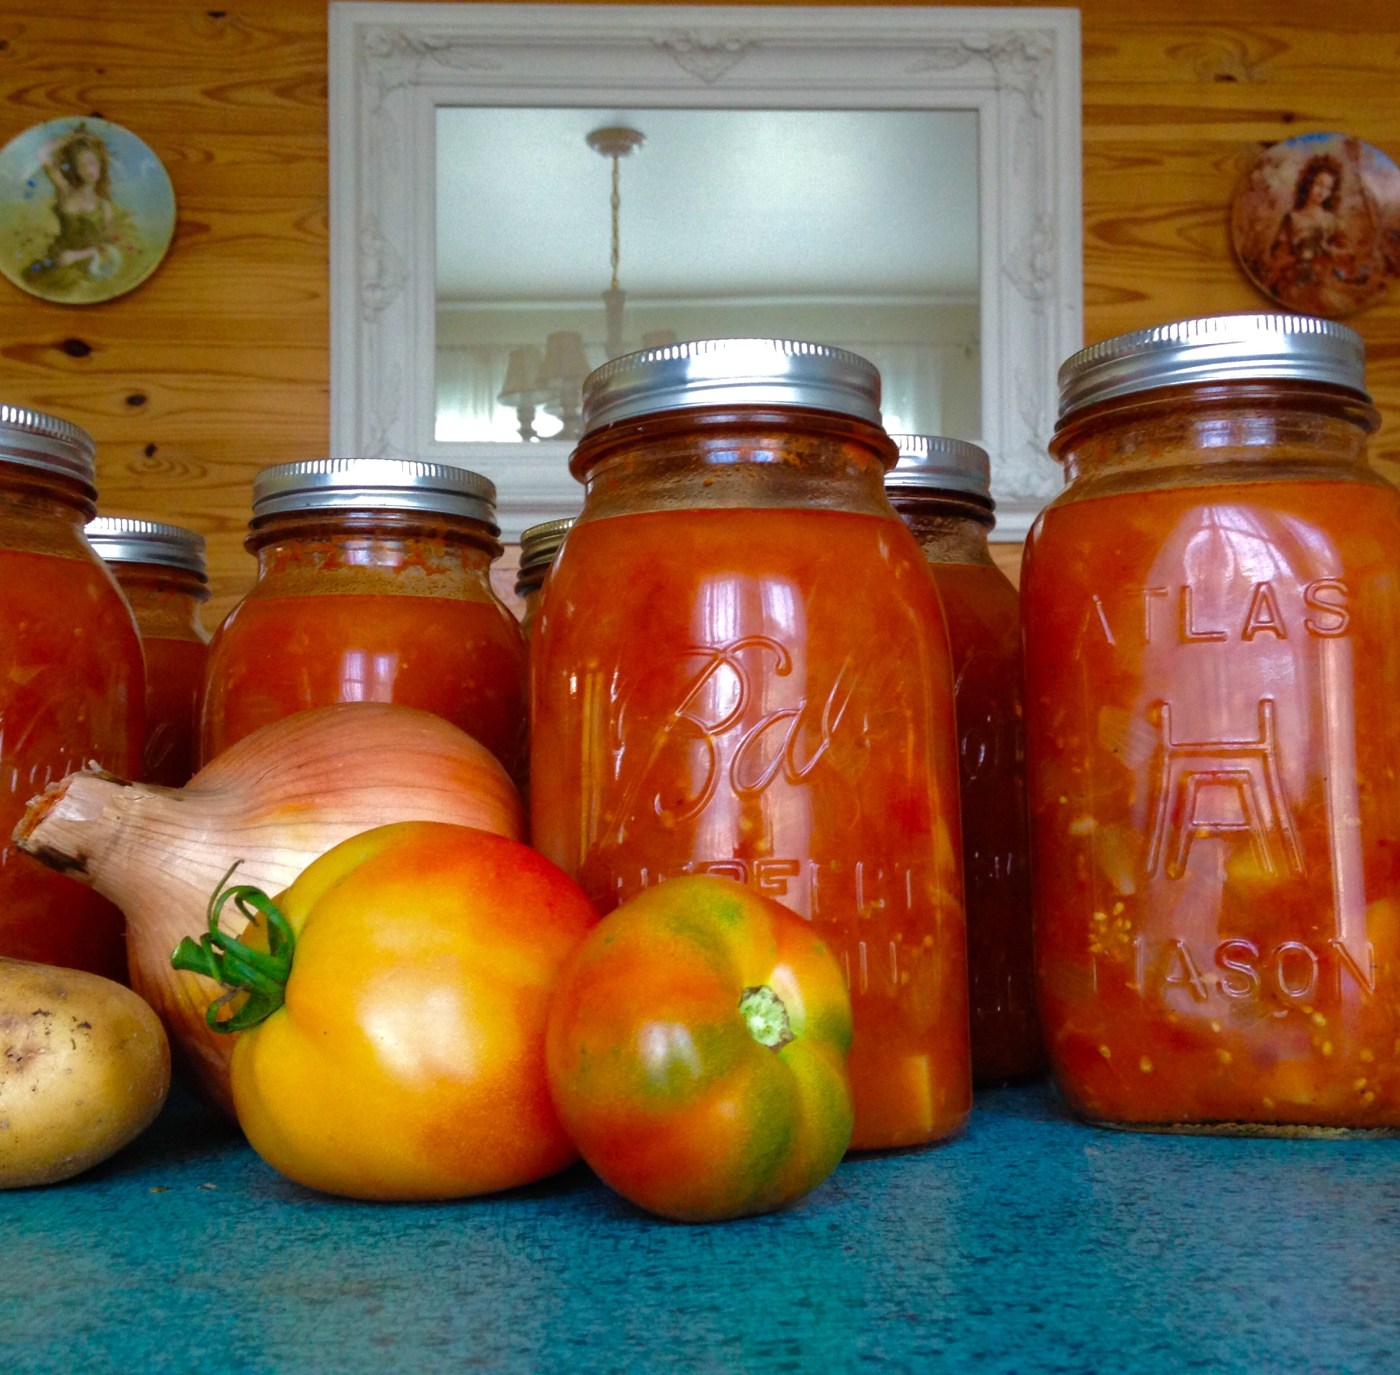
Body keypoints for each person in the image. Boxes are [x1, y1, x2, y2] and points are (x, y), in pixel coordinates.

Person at [25, 126, 124, 287]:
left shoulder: (104, 205)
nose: (89, 170)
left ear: (100, 165)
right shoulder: (65, 190)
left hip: (87, 263)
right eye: (82, 165)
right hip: (58, 258)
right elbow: (42, 154)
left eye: (92, 163)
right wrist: (72, 139)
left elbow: (109, 244)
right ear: (77, 170)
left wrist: (76, 256)